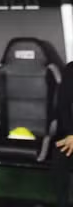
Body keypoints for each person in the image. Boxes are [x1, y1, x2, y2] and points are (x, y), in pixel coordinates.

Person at [54, 60, 73, 207]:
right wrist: (71, 133)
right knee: (61, 152)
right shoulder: (71, 69)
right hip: (71, 136)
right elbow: (63, 105)